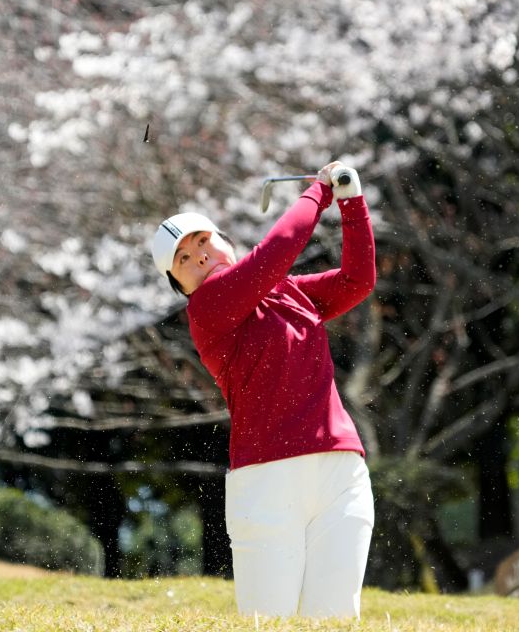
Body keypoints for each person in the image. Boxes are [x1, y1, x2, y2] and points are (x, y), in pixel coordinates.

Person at [150, 161, 376, 618]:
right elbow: (276, 252)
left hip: (339, 472)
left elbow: (357, 280)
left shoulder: (289, 292)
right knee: (267, 623)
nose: (199, 257)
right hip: (265, 482)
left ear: (225, 241)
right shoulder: (206, 308)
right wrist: (319, 193)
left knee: (334, 621)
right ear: (180, 286)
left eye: (202, 241)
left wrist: (353, 204)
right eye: (183, 260)